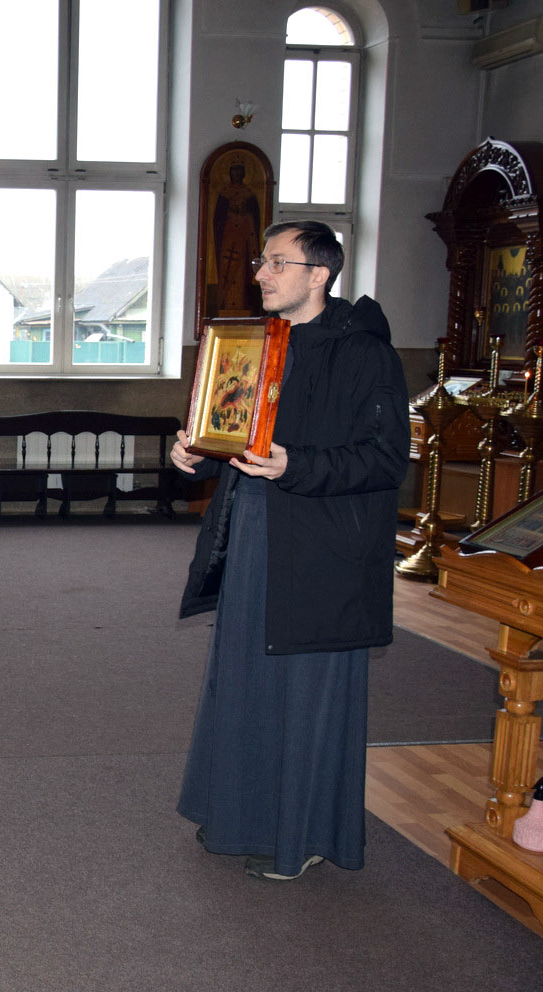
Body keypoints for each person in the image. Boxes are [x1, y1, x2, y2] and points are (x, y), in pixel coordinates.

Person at [172, 220, 409, 881]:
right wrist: (196, 453)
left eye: (278, 262)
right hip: (254, 532)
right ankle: (240, 816)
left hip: (324, 552)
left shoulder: (365, 354)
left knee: (307, 695)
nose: (261, 274)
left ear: (319, 274)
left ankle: (301, 838)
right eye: (262, 261)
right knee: (247, 678)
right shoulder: (259, 343)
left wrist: (295, 465)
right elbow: (236, 434)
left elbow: (386, 459)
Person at [211, 162, 262, 316]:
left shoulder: (249, 193)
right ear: (230, 173)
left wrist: (245, 216)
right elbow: (217, 220)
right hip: (228, 238)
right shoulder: (224, 193)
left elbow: (256, 219)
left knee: (241, 271)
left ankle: (242, 305)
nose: (237, 174)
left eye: (240, 171)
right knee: (227, 268)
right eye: (234, 171)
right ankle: (224, 303)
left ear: (244, 173)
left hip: (244, 239)